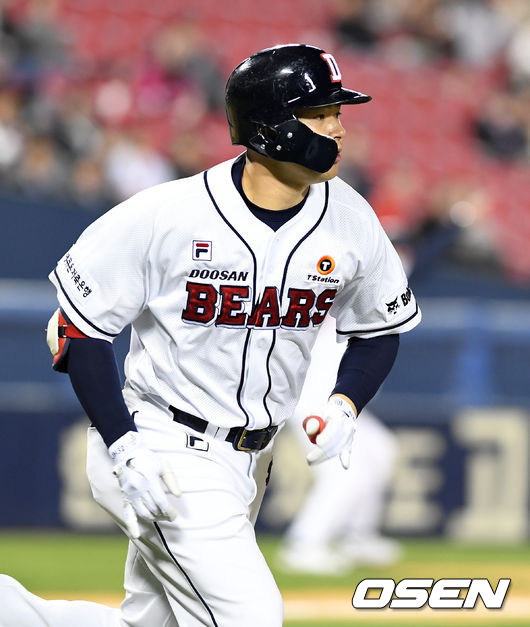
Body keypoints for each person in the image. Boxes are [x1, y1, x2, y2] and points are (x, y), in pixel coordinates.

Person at [0, 43, 420, 626]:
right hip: (163, 447)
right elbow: (76, 329)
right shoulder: (169, 213)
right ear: (269, 127)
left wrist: (345, 404)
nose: (338, 128)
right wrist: (124, 445)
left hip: (252, 458)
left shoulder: (350, 218)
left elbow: (379, 329)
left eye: (337, 113)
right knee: (251, 617)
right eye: (320, 114)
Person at [276, 316, 402, 575]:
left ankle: (356, 536)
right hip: (315, 404)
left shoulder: (367, 309)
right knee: (346, 473)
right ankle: (303, 543)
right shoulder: (330, 306)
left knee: (381, 449)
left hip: (343, 404)